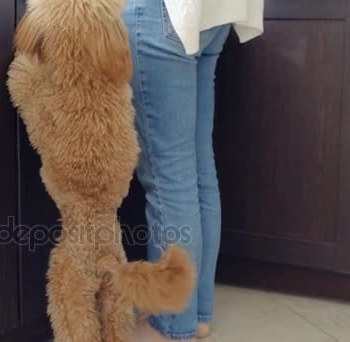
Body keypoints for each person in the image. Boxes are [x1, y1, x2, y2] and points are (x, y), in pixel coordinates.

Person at [124, 0, 264, 341]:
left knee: (169, 179)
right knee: (196, 170)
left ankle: (171, 325)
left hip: (161, 13)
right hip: (214, 13)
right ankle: (197, 315)